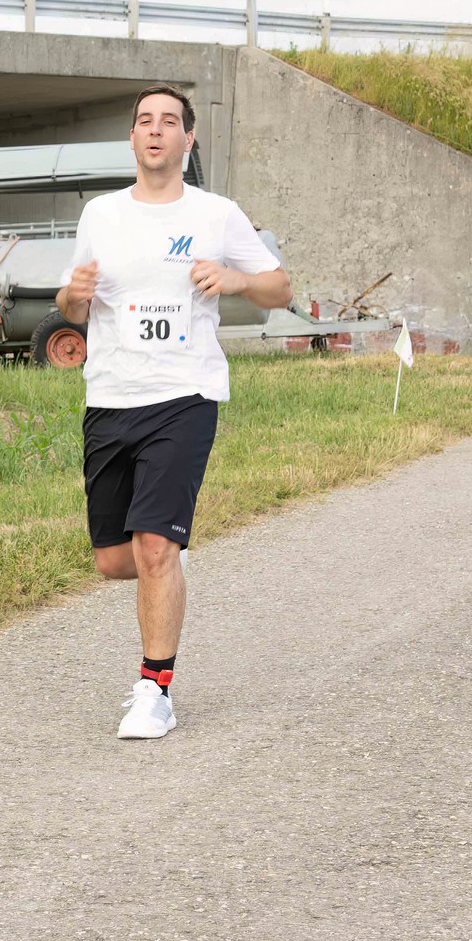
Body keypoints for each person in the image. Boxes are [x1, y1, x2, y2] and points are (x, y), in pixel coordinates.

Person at [56, 84, 292, 738]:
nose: (155, 130)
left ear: (189, 139)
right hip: (110, 396)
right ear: (132, 138)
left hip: (185, 395)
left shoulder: (217, 214)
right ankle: (167, 562)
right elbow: (71, 305)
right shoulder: (101, 214)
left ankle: (155, 690)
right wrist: (73, 295)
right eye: (144, 121)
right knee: (115, 560)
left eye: (168, 122)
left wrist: (237, 279)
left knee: (154, 546)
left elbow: (280, 287)